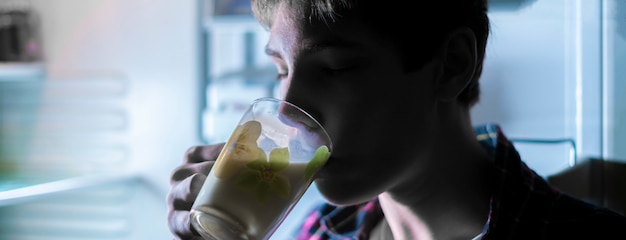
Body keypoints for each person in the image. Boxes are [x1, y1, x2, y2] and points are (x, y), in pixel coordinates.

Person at [167, 0, 626, 239]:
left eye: (335, 68)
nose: (291, 115)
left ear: (450, 66)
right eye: (281, 70)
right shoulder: (317, 234)